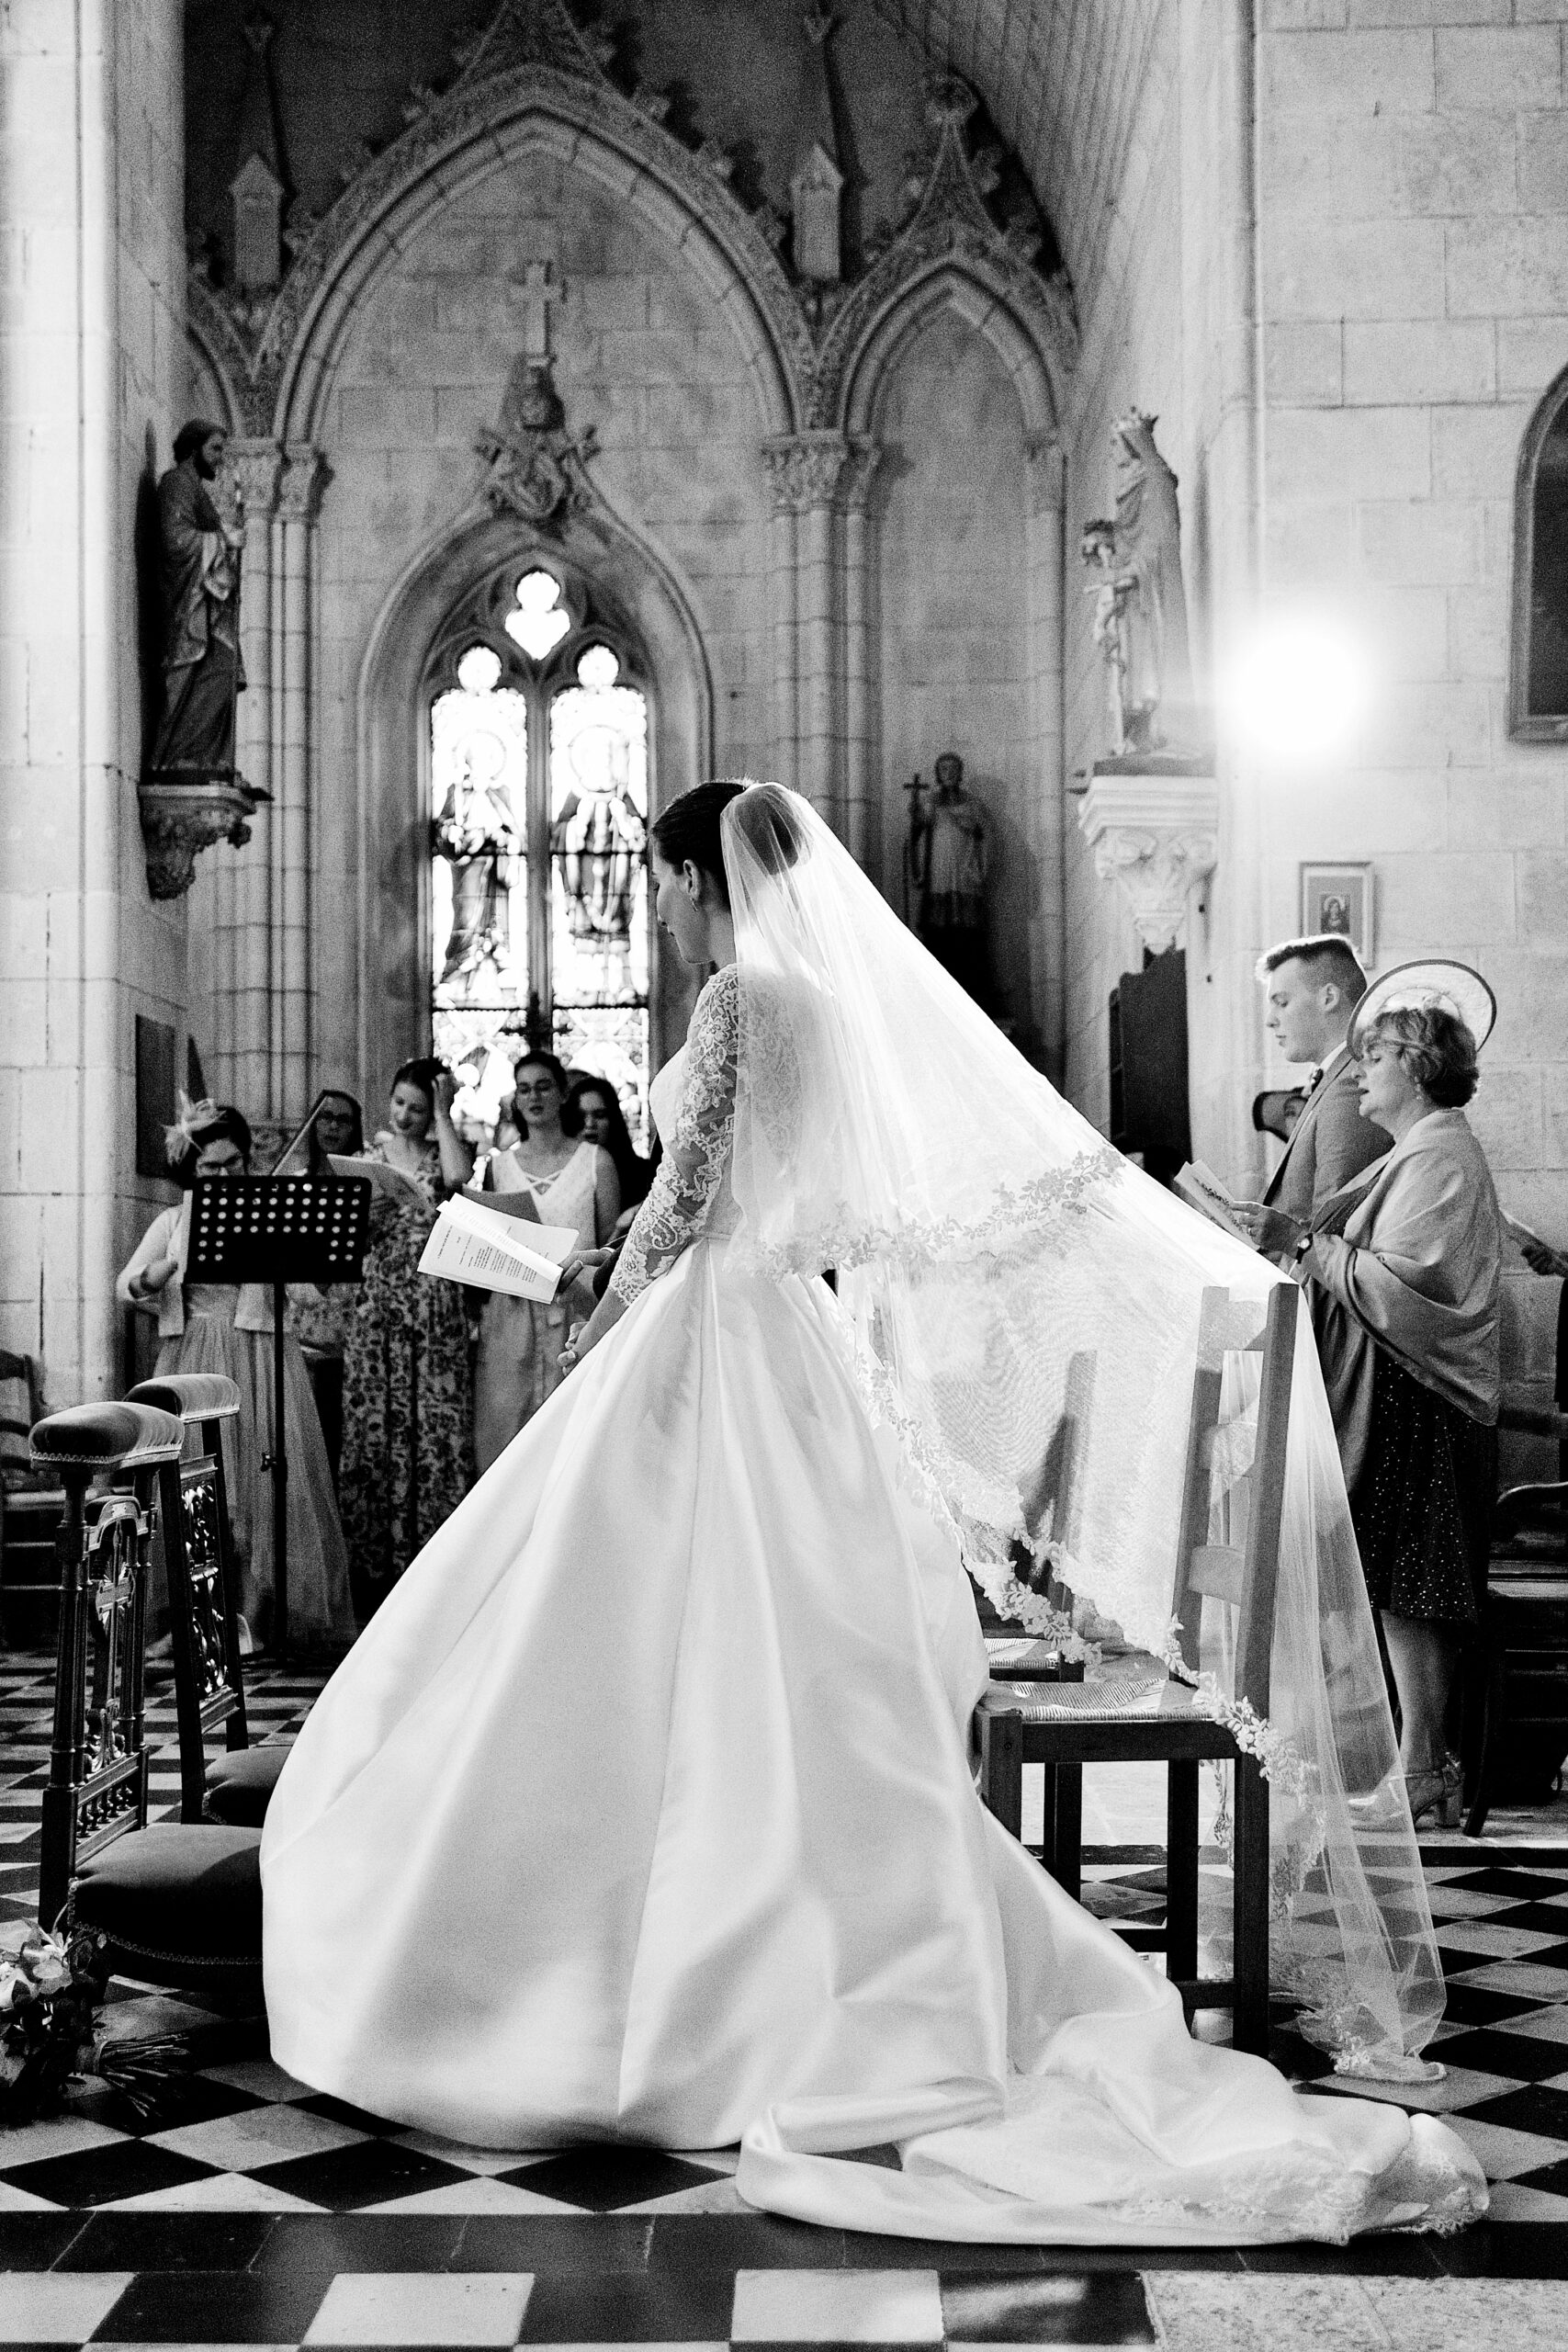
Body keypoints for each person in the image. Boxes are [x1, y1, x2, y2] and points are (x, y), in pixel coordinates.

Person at [263, 783, 1483, 2245]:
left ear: (690, 872)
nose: (653, 903)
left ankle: (587, 1954)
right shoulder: (822, 1007)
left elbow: (686, 1195)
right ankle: (754, 1920)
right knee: (744, 1648)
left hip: (705, 1331)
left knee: (612, 1617)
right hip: (784, 1336)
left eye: (657, 877)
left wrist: (599, 1296)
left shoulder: (735, 1001)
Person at [1279, 1001, 1503, 1830]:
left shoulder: (1439, 1151)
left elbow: (1411, 1288)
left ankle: (1423, 1766)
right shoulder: (1415, 1149)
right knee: (1398, 1585)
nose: (1359, 1074)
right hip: (1398, 1394)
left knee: (1410, 1586)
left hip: (1419, 1392)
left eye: (1373, 1059)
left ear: (1414, 1066)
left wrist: (1309, 1249)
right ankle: (1421, 1766)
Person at [118, 1101, 353, 1651]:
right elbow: (127, 1283)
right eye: (210, 1169)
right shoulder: (173, 1221)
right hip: (191, 1358)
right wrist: (157, 1274)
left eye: (233, 1165)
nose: (223, 1178)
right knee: (189, 1488)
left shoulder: (266, 1212)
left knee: (259, 1488)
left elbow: (313, 1289)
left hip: (259, 1353)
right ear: (191, 1170)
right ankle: (187, 1619)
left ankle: (250, 1615)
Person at [338, 1059, 474, 1614]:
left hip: (434, 1297)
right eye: (400, 1103)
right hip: (380, 1299)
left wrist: (444, 1114)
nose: (406, 1115)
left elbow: (462, 1179)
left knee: (433, 1416)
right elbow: (350, 1228)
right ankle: (375, 1564)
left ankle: (435, 1556)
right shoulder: (370, 1156)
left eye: (418, 1107)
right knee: (379, 1417)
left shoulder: (444, 1148)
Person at [472, 1052, 619, 1473]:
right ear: (515, 1101)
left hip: (576, 1311)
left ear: (562, 1093)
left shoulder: (595, 1162)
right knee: (510, 1438)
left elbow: (611, 1251)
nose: (533, 1096)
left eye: (543, 1086)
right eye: (523, 1089)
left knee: (574, 1436)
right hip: (514, 1315)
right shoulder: (499, 1168)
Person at [1233, 935, 1390, 1266]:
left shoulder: (1352, 1085)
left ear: (1329, 997)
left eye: (1282, 1001)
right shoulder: (1335, 1075)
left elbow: (1334, 1228)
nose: (1270, 1019)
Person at [148, 421, 245, 785]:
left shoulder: (198, 493)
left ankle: (200, 756)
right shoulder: (175, 485)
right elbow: (175, 542)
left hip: (209, 605)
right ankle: (176, 757)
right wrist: (224, 541)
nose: (220, 459)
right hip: (189, 607)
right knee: (210, 671)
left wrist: (226, 546)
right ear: (194, 448)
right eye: (216, 449)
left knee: (223, 670)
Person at [283, 1090, 367, 1492]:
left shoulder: (367, 1183)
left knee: (346, 1435)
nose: (332, 1126)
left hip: (356, 1323)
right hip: (305, 1322)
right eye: (325, 1117)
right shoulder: (296, 1184)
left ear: (356, 1130)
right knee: (307, 1435)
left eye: (343, 1120)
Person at [566, 1075, 652, 1215]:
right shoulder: (560, 1176)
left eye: (599, 1115)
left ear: (613, 1119)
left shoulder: (645, 1175)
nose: (589, 1124)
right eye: (581, 1116)